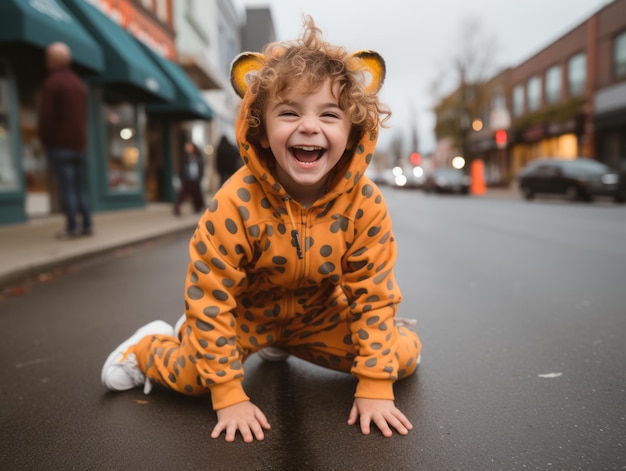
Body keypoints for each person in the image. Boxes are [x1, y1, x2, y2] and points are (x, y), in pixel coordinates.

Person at [101, 17, 422, 443]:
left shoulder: (364, 202)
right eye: (289, 112)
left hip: (316, 316)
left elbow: (373, 292)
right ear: (262, 131)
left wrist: (376, 386)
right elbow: (210, 295)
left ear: (352, 131)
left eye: (330, 114)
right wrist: (230, 395)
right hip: (247, 316)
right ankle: (148, 347)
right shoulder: (235, 202)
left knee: (402, 357)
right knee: (198, 378)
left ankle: (284, 345)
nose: (309, 126)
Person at [38, 42, 92, 239]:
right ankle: (86, 224)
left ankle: (72, 227)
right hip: (79, 145)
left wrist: (45, 140)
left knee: (67, 187)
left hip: (60, 145)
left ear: (51, 60)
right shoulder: (78, 84)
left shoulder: (52, 83)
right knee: (79, 187)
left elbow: (46, 116)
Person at [173, 135, 205, 215]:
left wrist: (200, 176)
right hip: (187, 178)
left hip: (195, 178)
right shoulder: (184, 157)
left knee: (197, 195)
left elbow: (201, 166)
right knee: (182, 194)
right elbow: (181, 168)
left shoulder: (197, 156)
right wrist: (181, 177)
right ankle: (177, 208)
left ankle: (199, 207)